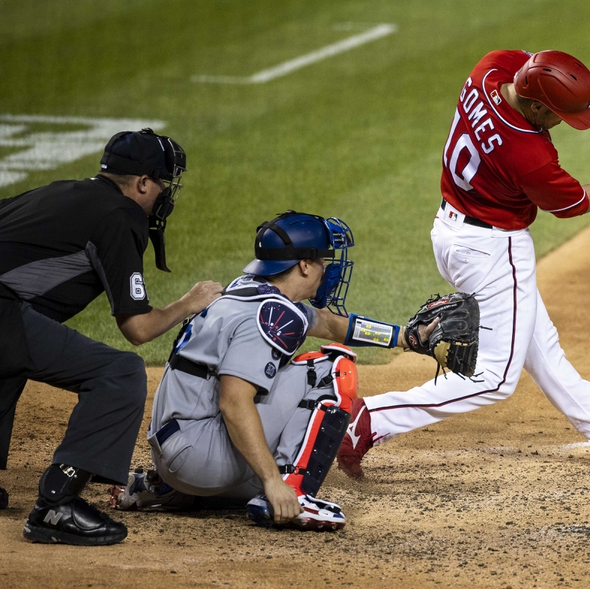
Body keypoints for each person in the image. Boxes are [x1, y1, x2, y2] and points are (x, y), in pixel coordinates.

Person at [338, 49, 590, 479]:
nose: (564, 122)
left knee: (542, 349)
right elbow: (573, 202)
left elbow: (566, 89)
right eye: (557, 115)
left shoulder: (494, 68)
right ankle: (366, 419)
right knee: (495, 379)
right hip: (492, 250)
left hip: (452, 231)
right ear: (536, 105)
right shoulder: (527, 151)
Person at [0, 128, 222, 546]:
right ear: (141, 183)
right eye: (162, 184)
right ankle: (56, 505)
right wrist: (188, 303)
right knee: (119, 373)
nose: (164, 195)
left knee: (6, 354)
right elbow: (137, 329)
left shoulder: (61, 192)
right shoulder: (119, 216)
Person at [112, 211, 439, 530]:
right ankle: (294, 492)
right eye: (323, 261)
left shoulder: (251, 289)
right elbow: (234, 401)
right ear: (304, 265)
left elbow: (326, 323)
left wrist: (406, 337)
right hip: (198, 454)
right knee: (331, 370)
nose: (328, 269)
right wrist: (273, 482)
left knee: (274, 419)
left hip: (175, 451)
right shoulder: (272, 315)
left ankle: (170, 489)